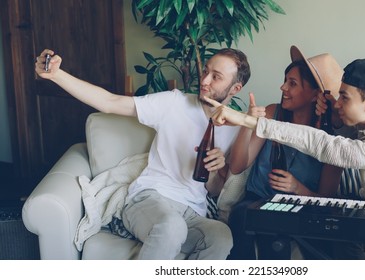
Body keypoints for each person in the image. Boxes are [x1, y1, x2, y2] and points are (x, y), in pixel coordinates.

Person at [205, 56, 365, 260]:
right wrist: (338, 116)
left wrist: (248, 121)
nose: (336, 103)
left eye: (344, 97)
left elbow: (324, 145)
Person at [35, 48, 251, 260]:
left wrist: (217, 168)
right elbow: (110, 102)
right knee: (171, 227)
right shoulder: (174, 103)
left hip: (193, 211)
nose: (204, 81)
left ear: (235, 88)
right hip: (149, 198)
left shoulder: (235, 128)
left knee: (221, 236)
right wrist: (57, 75)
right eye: (206, 71)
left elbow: (213, 190)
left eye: (216, 77)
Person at [227, 46, 344, 259]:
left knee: (278, 226)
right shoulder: (273, 114)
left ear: (314, 95)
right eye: (285, 80)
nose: (282, 88)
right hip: (258, 200)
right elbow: (237, 166)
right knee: (241, 215)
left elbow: (326, 199)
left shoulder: (333, 140)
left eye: (292, 83)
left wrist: (297, 188)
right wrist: (247, 122)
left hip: (302, 209)